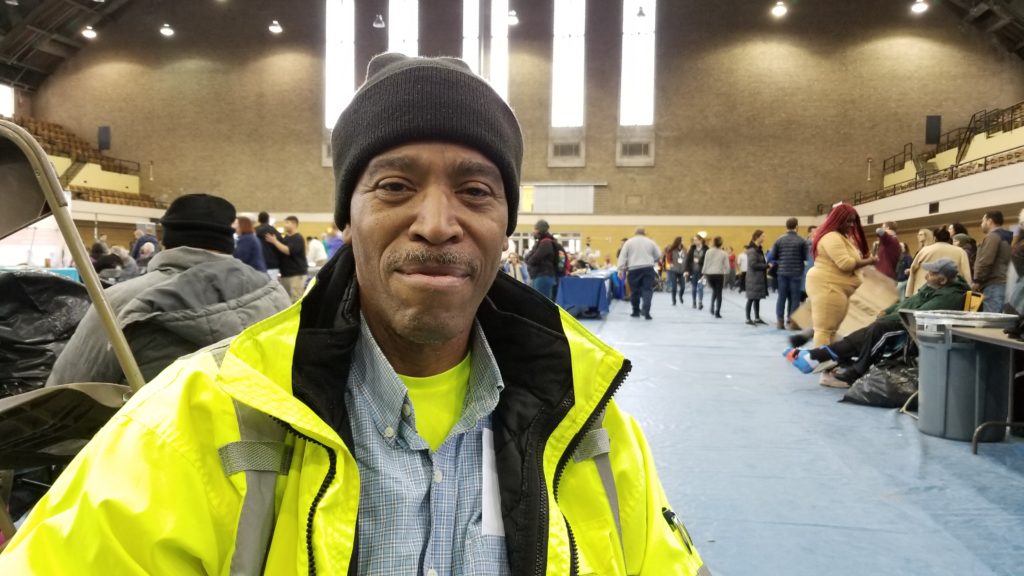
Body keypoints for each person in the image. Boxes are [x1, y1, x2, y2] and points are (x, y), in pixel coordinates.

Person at [0, 54, 707, 575]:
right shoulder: (193, 424)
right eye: (395, 185)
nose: (436, 223)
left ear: (506, 225)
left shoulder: (590, 430)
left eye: (476, 190)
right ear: (349, 217)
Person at [46, 193, 291, 386]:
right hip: (258, 444)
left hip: (150, 443)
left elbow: (69, 387)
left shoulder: (116, 301)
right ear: (228, 243)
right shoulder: (274, 297)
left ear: (164, 242)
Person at [787, 259, 969, 387]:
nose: (927, 276)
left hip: (912, 329)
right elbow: (906, 304)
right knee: (866, 332)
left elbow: (917, 315)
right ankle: (816, 355)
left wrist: (888, 317)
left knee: (878, 329)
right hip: (901, 321)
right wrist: (888, 311)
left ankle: (852, 373)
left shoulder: (948, 296)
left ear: (943, 279)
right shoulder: (932, 288)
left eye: (931, 273)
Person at [804, 203, 875, 348]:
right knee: (824, 330)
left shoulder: (839, 237)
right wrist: (870, 261)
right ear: (838, 220)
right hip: (828, 287)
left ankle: (828, 363)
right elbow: (846, 264)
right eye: (848, 221)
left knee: (830, 330)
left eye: (853, 221)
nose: (851, 225)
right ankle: (823, 365)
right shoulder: (831, 237)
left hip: (835, 288)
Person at [905, 227, 972, 297]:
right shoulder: (960, 251)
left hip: (923, 293)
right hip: (952, 294)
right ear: (949, 238)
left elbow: (912, 271)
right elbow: (967, 274)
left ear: (934, 238)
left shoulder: (924, 251)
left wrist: (908, 294)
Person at [618, 226, 662, 320]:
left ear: (635, 233)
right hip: (648, 268)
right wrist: (652, 260)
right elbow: (659, 255)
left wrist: (620, 269)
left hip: (633, 269)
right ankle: (646, 311)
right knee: (647, 290)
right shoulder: (651, 242)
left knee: (635, 291)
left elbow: (622, 256)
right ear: (644, 233)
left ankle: (635, 311)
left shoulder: (629, 242)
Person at [771, 217, 807, 329]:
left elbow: (773, 256)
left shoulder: (779, 240)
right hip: (796, 272)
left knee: (781, 297)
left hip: (782, 272)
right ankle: (793, 322)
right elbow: (805, 256)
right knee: (795, 298)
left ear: (786, 227)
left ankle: (780, 321)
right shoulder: (802, 240)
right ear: (797, 227)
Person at [973, 210, 1012, 312]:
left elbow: (986, 261)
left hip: (994, 285)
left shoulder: (993, 236)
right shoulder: (1009, 237)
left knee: (991, 322)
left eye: (983, 221)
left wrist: (977, 281)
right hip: (1005, 283)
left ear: (989, 221)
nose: (981, 224)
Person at [264, 215, 309, 302]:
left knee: (295, 299)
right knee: (287, 300)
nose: (284, 225)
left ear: (294, 224)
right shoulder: (287, 238)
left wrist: (274, 241)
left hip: (296, 275)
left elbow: (288, 251)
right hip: (286, 274)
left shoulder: (298, 238)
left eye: (287, 223)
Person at [524, 219, 559, 300]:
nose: (534, 231)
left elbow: (534, 259)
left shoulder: (546, 243)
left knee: (542, 303)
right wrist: (528, 258)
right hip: (540, 276)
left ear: (541, 230)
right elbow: (528, 257)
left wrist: (529, 260)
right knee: (538, 302)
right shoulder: (541, 242)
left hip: (543, 276)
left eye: (536, 229)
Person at [744, 230, 769, 326]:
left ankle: (757, 318)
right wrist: (766, 266)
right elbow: (753, 264)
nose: (764, 238)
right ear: (757, 237)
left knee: (757, 298)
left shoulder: (758, 249)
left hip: (758, 277)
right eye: (762, 236)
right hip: (753, 278)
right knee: (751, 298)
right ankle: (748, 318)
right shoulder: (752, 250)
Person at [702, 236, 729, 319]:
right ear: (721, 244)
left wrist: (703, 273)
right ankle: (717, 311)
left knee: (714, 290)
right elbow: (727, 267)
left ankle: (712, 306)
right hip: (719, 274)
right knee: (719, 292)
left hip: (710, 274)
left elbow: (705, 263)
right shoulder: (724, 253)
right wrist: (726, 272)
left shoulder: (708, 252)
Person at [684, 232, 708, 309]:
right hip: (693, 271)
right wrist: (686, 270)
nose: (695, 241)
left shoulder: (706, 249)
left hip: (702, 272)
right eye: (694, 240)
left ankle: (700, 302)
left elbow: (707, 260)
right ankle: (694, 301)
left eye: (696, 240)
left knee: (700, 287)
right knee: (694, 287)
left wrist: (699, 261)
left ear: (701, 240)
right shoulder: (692, 249)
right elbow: (687, 260)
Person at [664, 236, 686, 305]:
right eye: (682, 240)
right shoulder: (672, 249)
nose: (683, 241)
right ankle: (674, 300)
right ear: (678, 241)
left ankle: (680, 296)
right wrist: (670, 263)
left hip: (681, 270)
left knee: (683, 286)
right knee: (674, 286)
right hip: (672, 270)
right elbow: (668, 257)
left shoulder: (684, 250)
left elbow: (686, 258)